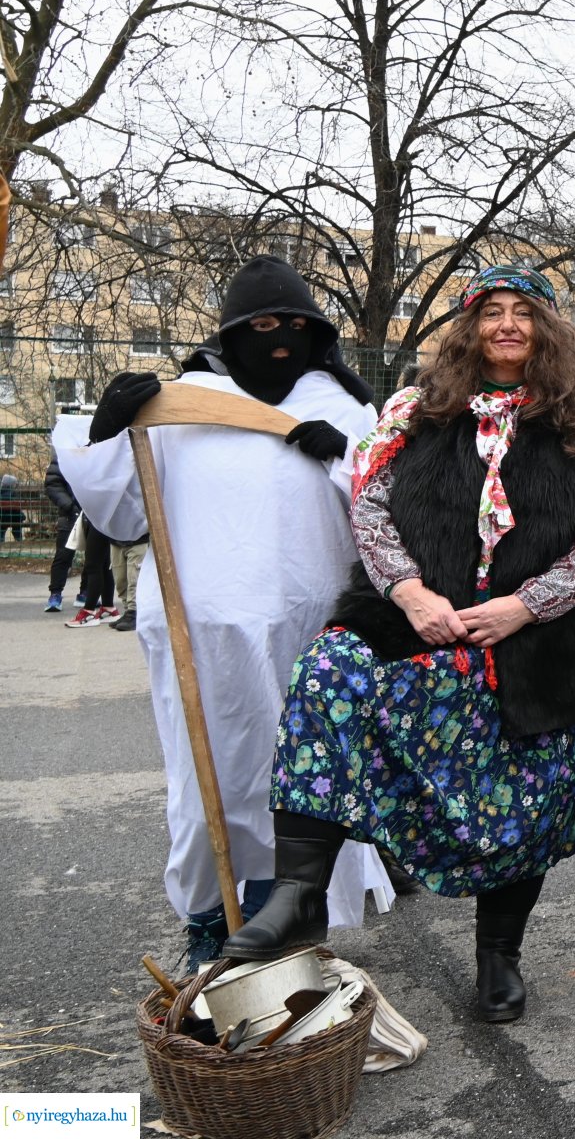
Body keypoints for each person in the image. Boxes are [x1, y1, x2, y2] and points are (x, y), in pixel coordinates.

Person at [222, 266, 575, 1023]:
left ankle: (498, 954)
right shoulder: (413, 408)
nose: (507, 325)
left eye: (523, 313)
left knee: (525, 795)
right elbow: (369, 507)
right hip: (418, 620)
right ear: (469, 329)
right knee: (328, 674)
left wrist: (525, 607)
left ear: (546, 331)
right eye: (491, 312)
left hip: (539, 636)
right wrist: (408, 592)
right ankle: (299, 893)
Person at [52, 254, 393, 965]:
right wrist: (109, 429)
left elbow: (388, 516)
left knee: (301, 776)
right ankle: (210, 924)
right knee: (206, 781)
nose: (282, 341)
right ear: (233, 332)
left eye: (296, 325)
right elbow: (120, 517)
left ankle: (289, 923)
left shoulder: (343, 407)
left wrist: (344, 456)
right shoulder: (178, 407)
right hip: (197, 634)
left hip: (308, 630)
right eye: (264, 326)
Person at [63, 517, 118, 627]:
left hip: (98, 519)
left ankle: (89, 612)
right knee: (104, 565)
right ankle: (108, 608)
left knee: (93, 565)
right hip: (103, 520)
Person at [42, 456, 79, 612]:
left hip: (92, 511)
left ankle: (87, 593)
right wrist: (69, 505)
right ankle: (55, 594)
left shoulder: (96, 448)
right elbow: (52, 483)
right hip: (69, 513)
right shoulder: (64, 452)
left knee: (95, 557)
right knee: (63, 555)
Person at [110, 536, 149, 631]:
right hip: (116, 540)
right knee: (120, 581)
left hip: (138, 540)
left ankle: (133, 612)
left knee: (133, 579)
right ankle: (128, 611)